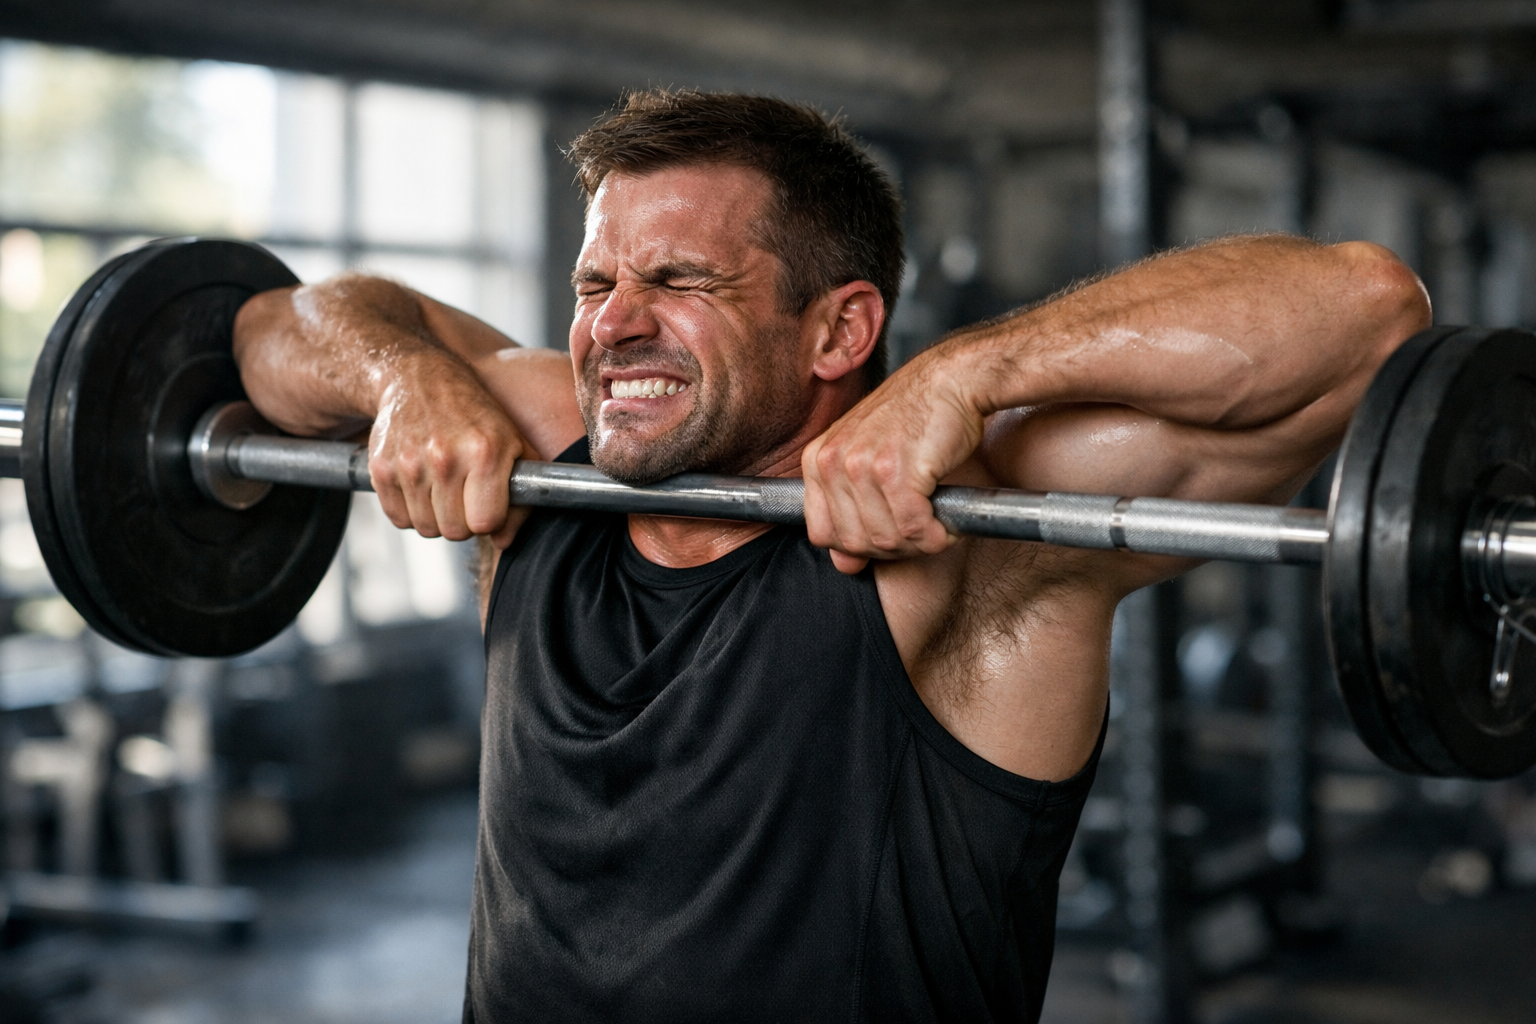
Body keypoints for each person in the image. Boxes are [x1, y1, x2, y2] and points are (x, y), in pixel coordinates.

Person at [232, 90, 1430, 1022]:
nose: (614, 322)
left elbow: (1366, 312)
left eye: (680, 279)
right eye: (597, 280)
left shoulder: (970, 545)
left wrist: (966, 373)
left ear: (841, 328)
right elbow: (269, 328)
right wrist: (407, 379)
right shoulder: (541, 463)